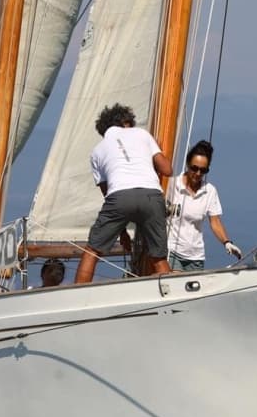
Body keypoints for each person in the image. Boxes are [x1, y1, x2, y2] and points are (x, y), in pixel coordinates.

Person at [75, 103, 174, 284]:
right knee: (159, 258)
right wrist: (156, 151)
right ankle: (171, 293)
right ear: (126, 122)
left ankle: (76, 295)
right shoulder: (142, 134)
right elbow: (167, 170)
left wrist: (123, 233)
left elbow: (108, 195)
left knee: (92, 251)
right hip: (152, 196)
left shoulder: (97, 151)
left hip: (119, 197)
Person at [165, 140, 242, 271]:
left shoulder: (209, 191)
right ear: (188, 164)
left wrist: (227, 242)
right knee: (176, 282)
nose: (198, 174)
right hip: (172, 252)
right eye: (194, 168)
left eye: (203, 170)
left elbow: (215, 221)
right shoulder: (172, 185)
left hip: (196, 257)